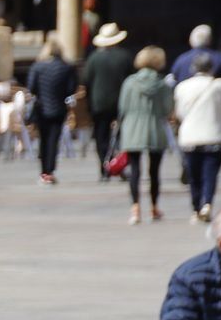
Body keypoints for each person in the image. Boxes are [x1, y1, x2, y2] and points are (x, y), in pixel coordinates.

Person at [172, 53, 221, 223]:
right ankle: (207, 202)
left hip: (190, 138)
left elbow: (179, 114)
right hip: (214, 136)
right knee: (210, 173)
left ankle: (195, 207)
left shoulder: (182, 87)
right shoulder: (219, 85)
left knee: (193, 175)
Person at [117, 45, 173, 225]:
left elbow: (122, 108)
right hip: (155, 128)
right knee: (154, 172)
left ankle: (135, 208)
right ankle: (154, 207)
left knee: (135, 170)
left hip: (132, 128)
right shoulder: (162, 83)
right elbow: (167, 109)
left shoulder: (129, 82)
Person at [81, 22, 133, 181]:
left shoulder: (93, 58)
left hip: (99, 104)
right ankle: (119, 165)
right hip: (121, 103)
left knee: (101, 137)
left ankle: (104, 168)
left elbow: (86, 81)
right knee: (121, 137)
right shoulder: (125, 57)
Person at [27, 34, 76, 186]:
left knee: (43, 140)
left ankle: (44, 172)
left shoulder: (38, 67)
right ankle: (50, 171)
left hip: (41, 109)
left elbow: (31, 88)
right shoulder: (66, 67)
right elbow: (71, 89)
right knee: (54, 141)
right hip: (59, 109)